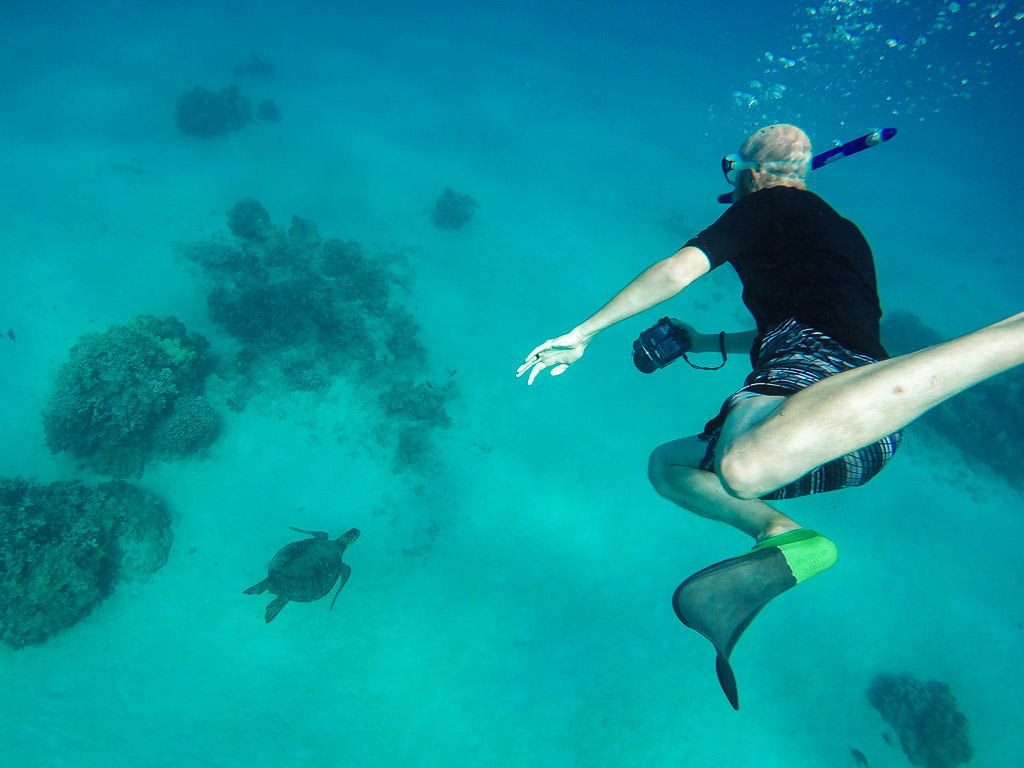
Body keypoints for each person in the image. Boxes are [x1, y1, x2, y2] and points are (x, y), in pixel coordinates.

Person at [516, 123, 1024, 708]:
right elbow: (806, 322)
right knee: (672, 469)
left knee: (741, 466)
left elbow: (680, 269)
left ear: (753, 174)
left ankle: (1000, 343)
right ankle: (782, 537)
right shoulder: (843, 234)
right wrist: (702, 342)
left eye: (732, 169)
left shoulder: (769, 202)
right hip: (859, 434)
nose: (730, 182)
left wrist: (584, 333)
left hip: (821, 385)